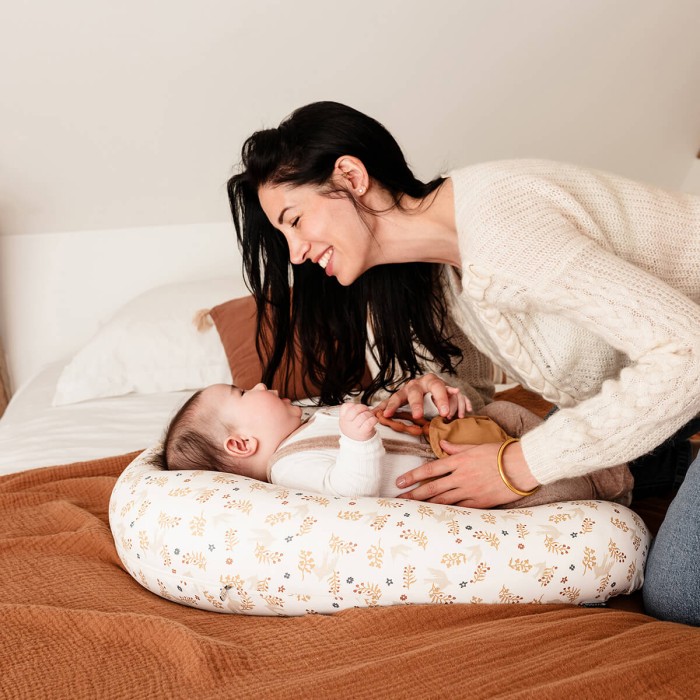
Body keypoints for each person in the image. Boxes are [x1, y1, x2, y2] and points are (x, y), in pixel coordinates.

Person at [227, 101, 700, 624]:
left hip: (689, 361)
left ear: (351, 176)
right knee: (560, 447)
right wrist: (434, 390)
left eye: (294, 221)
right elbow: (468, 392)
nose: (295, 253)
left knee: (680, 596)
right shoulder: (423, 272)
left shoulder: (499, 225)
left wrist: (516, 467)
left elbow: (688, 352)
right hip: (673, 382)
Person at [159, 382, 632, 506]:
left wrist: (428, 410)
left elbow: (390, 419)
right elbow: (349, 492)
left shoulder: (309, 418)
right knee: (555, 491)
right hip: (458, 484)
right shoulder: (288, 468)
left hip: (445, 440)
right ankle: (609, 485)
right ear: (242, 444)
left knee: (507, 412)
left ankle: (607, 463)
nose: (261, 384)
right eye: (243, 393)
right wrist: (357, 440)